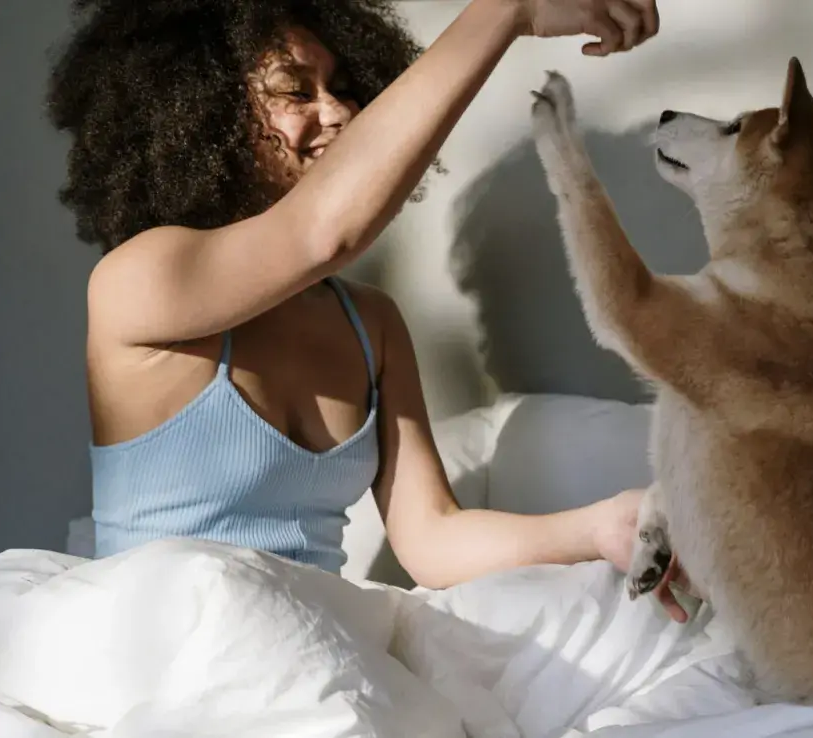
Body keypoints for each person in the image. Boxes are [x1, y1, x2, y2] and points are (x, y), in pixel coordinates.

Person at [47, 0, 687, 621]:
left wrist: (605, 524)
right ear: (202, 114)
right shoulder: (138, 278)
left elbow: (434, 540)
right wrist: (506, 10)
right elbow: (323, 234)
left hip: (307, 650)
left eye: (344, 87)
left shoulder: (369, 323)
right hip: (160, 655)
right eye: (296, 92)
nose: (339, 111)